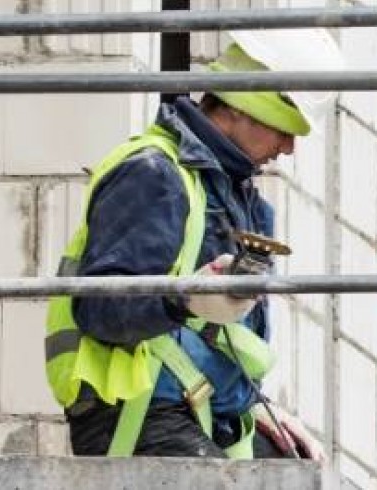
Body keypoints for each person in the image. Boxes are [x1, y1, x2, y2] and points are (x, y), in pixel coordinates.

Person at [45, 30, 342, 460]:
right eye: (285, 128)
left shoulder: (235, 199)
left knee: (298, 471)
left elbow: (216, 338)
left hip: (200, 411)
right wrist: (185, 300)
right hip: (139, 410)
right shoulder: (156, 175)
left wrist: (254, 402)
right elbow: (100, 307)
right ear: (247, 104)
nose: (289, 147)